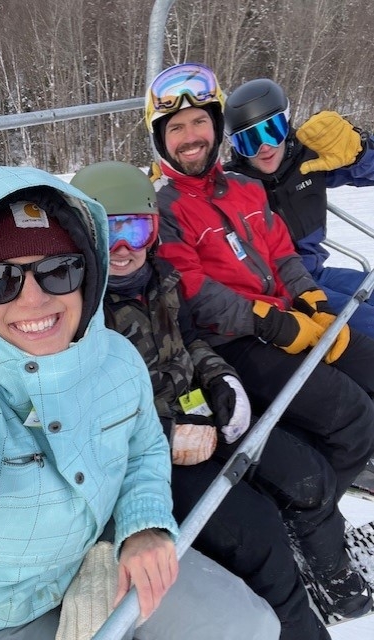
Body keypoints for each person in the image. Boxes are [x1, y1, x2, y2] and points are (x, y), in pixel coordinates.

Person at [0, 165, 281, 640]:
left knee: (253, 625)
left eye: (59, 270)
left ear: (86, 272)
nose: (34, 300)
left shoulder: (116, 357)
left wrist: (142, 525)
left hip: (99, 555)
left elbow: (142, 449)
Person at [71, 159, 372, 635]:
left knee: (309, 478)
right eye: (107, 232)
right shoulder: (77, 309)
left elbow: (192, 340)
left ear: (153, 230)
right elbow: (82, 409)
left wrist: (220, 379)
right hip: (150, 452)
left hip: (201, 413)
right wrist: (167, 432)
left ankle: (330, 579)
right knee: (258, 535)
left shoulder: (162, 278)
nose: (124, 247)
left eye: (136, 227)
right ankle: (297, 627)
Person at [145, 62, 374, 516]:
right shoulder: (162, 207)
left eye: (199, 122)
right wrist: (273, 322)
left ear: (214, 130)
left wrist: (310, 299)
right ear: (161, 141)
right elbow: (191, 287)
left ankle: (331, 487)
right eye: (176, 128)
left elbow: (284, 254)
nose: (190, 136)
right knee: (352, 416)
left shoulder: (246, 188)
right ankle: (313, 518)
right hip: (240, 335)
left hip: (286, 311)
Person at [223, 78, 374, 338]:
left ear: (287, 123)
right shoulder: (230, 185)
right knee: (367, 323)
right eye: (249, 141)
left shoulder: (308, 159)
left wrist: (360, 150)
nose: (265, 147)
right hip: (286, 288)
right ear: (234, 146)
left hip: (318, 271)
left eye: (272, 130)